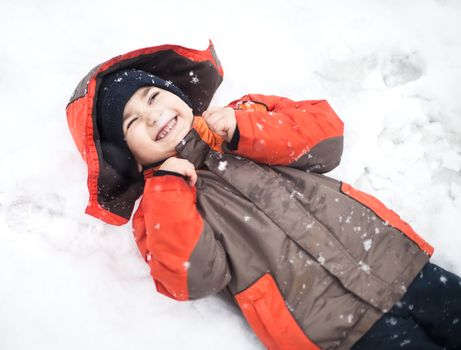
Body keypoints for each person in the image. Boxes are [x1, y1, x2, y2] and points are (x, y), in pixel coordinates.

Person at [66, 43, 461, 350]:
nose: (152, 116)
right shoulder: (159, 206)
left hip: (398, 266)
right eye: (132, 122)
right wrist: (167, 188)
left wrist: (245, 128)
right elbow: (193, 277)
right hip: (337, 331)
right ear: (129, 158)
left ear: (176, 93)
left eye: (152, 97)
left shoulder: (245, 115)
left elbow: (327, 139)